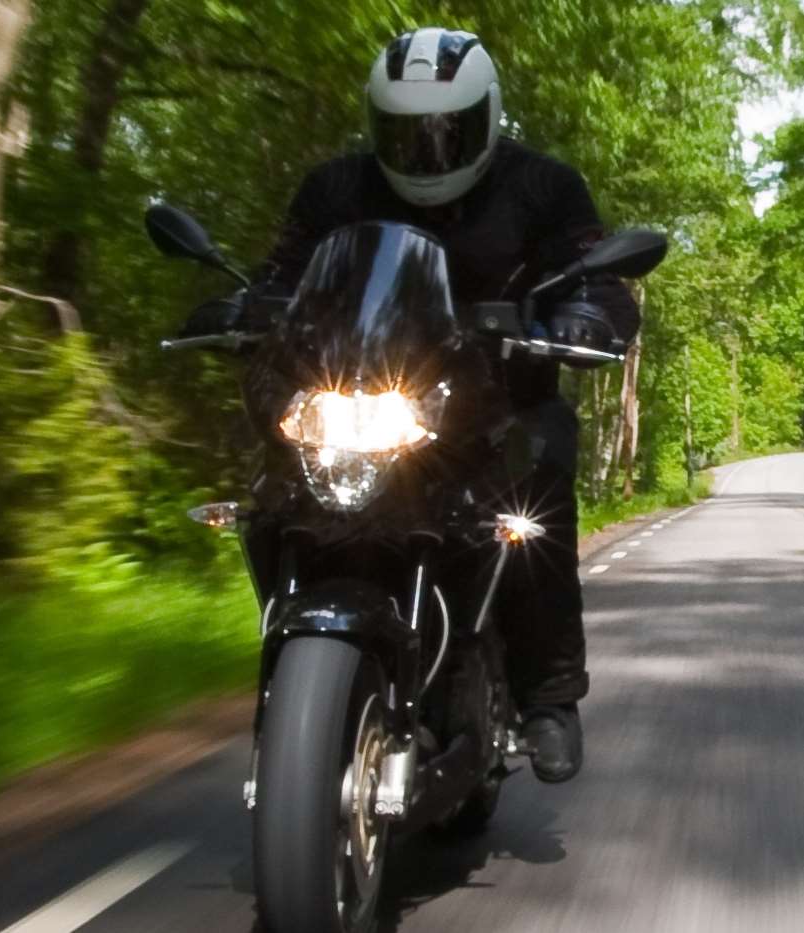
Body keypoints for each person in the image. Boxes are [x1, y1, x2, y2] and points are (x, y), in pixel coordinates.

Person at [250, 27, 639, 782]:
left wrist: (585, 317)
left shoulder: (543, 186)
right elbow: (281, 273)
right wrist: (241, 307)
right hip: (366, 396)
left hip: (500, 404)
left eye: (444, 130)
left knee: (539, 494)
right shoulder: (334, 189)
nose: (426, 149)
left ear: (485, 115)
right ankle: (303, 672)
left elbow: (597, 277)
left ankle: (548, 694)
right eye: (405, 132)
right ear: (374, 123)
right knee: (272, 495)